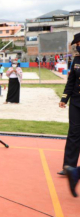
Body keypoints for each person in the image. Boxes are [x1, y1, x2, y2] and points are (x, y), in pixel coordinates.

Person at [58, 33, 80, 176]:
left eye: (78, 43)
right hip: (76, 102)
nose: (77, 46)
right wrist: (64, 98)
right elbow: (71, 81)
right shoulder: (76, 59)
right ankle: (69, 167)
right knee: (73, 133)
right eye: (77, 44)